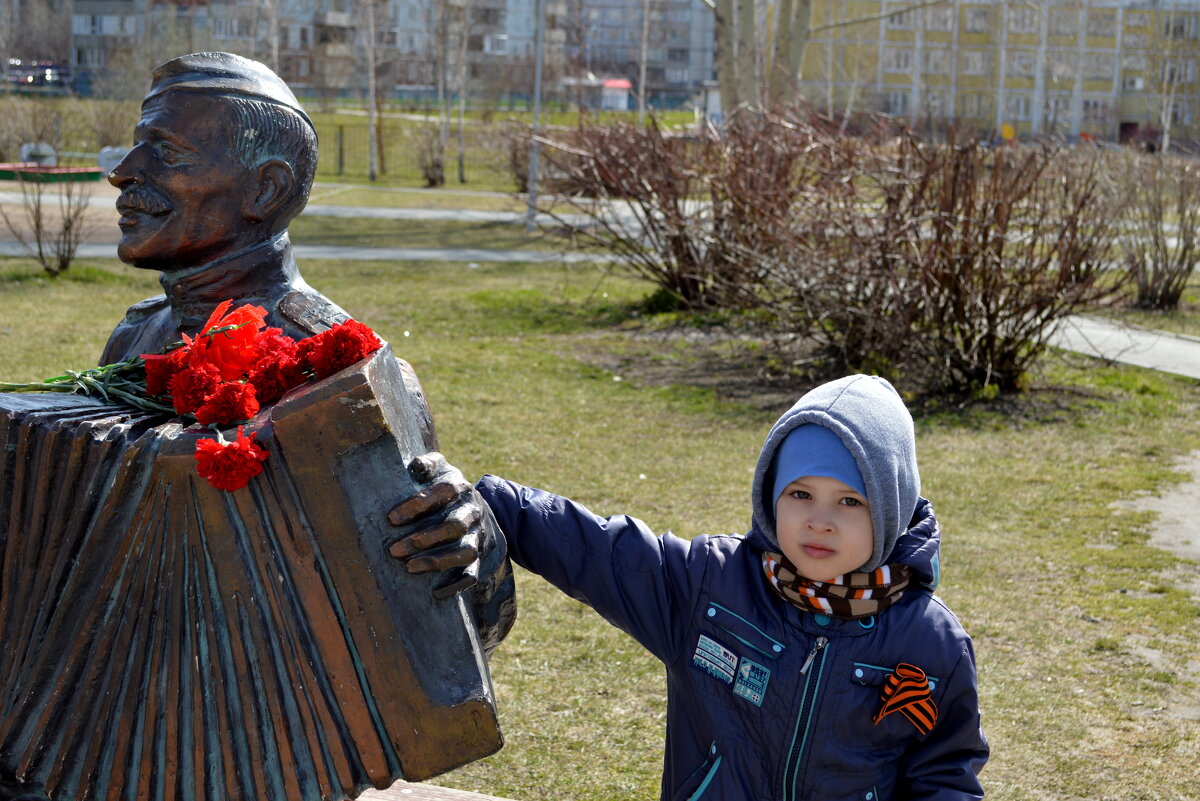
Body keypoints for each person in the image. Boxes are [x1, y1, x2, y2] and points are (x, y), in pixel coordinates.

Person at [391, 374, 989, 800]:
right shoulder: (710, 585)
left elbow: (945, 773)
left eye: (850, 501)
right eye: (800, 493)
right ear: (771, 497)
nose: (819, 520)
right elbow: (595, 549)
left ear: (890, 509)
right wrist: (486, 502)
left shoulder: (931, 644)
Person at [101, 51, 514, 643]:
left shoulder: (340, 366)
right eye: (137, 146)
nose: (123, 172)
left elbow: (452, 633)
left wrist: (476, 547)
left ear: (265, 189)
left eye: (166, 152)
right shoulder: (135, 335)